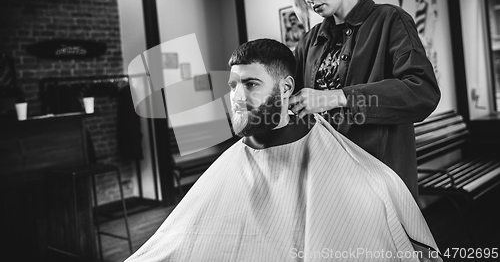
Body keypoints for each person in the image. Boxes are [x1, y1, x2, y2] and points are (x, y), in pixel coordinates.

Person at [125, 39, 442, 262]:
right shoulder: (232, 161)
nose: (236, 97)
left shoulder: (330, 156)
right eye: (233, 85)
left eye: (250, 84)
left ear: (287, 88)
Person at [285, 0, 440, 199]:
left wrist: (336, 96)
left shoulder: (390, 20)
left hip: (379, 183)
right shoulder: (309, 41)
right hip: (325, 182)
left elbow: (422, 92)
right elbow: (288, 98)